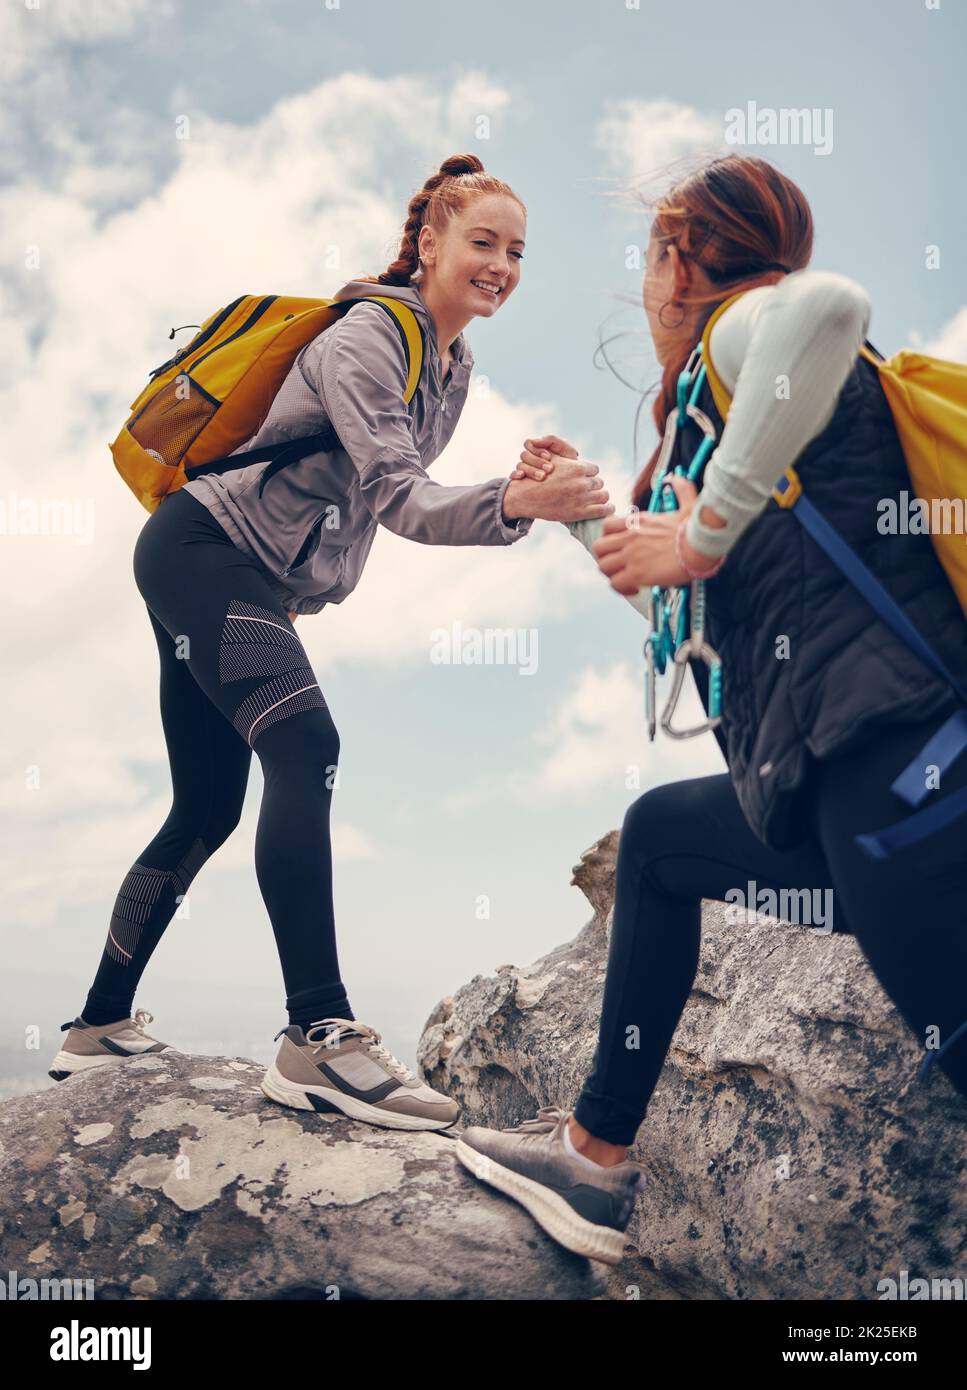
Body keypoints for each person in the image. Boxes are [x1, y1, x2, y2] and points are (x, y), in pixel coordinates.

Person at [455, 153, 967, 1265]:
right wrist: (582, 517)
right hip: (840, 796)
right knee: (659, 840)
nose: (645, 289)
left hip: (905, 771)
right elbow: (688, 591)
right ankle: (592, 1159)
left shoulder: (746, 328)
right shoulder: (721, 418)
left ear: (680, 261)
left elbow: (830, 303)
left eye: (652, 258)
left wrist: (698, 529)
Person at [48, 154, 615, 1130]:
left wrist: (510, 485)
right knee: (305, 747)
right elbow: (401, 501)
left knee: (207, 805)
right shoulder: (371, 335)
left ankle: (97, 1024)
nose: (501, 265)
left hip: (228, 569)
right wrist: (518, 501)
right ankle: (318, 1035)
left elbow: (361, 489)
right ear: (429, 242)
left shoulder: (454, 363)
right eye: (482, 242)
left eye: (516, 251)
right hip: (202, 552)